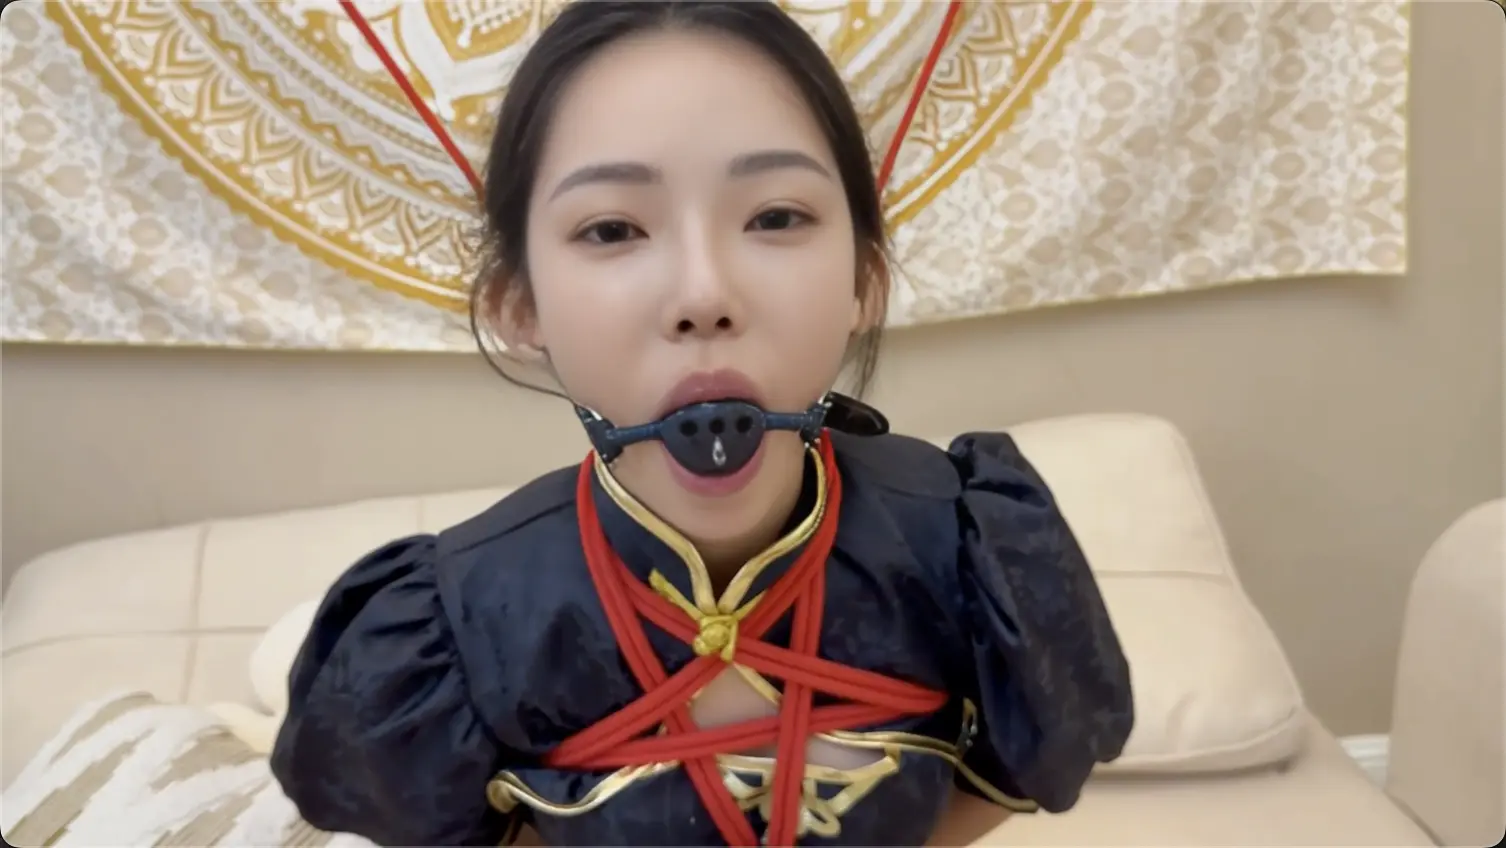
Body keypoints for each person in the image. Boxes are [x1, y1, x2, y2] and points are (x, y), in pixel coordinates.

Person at [269, 2, 1134, 845]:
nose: (704, 295)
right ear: (518, 304)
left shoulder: (971, 549)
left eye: (775, 217)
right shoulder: (458, 621)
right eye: (612, 228)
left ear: (865, 279)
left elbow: (1013, 775)